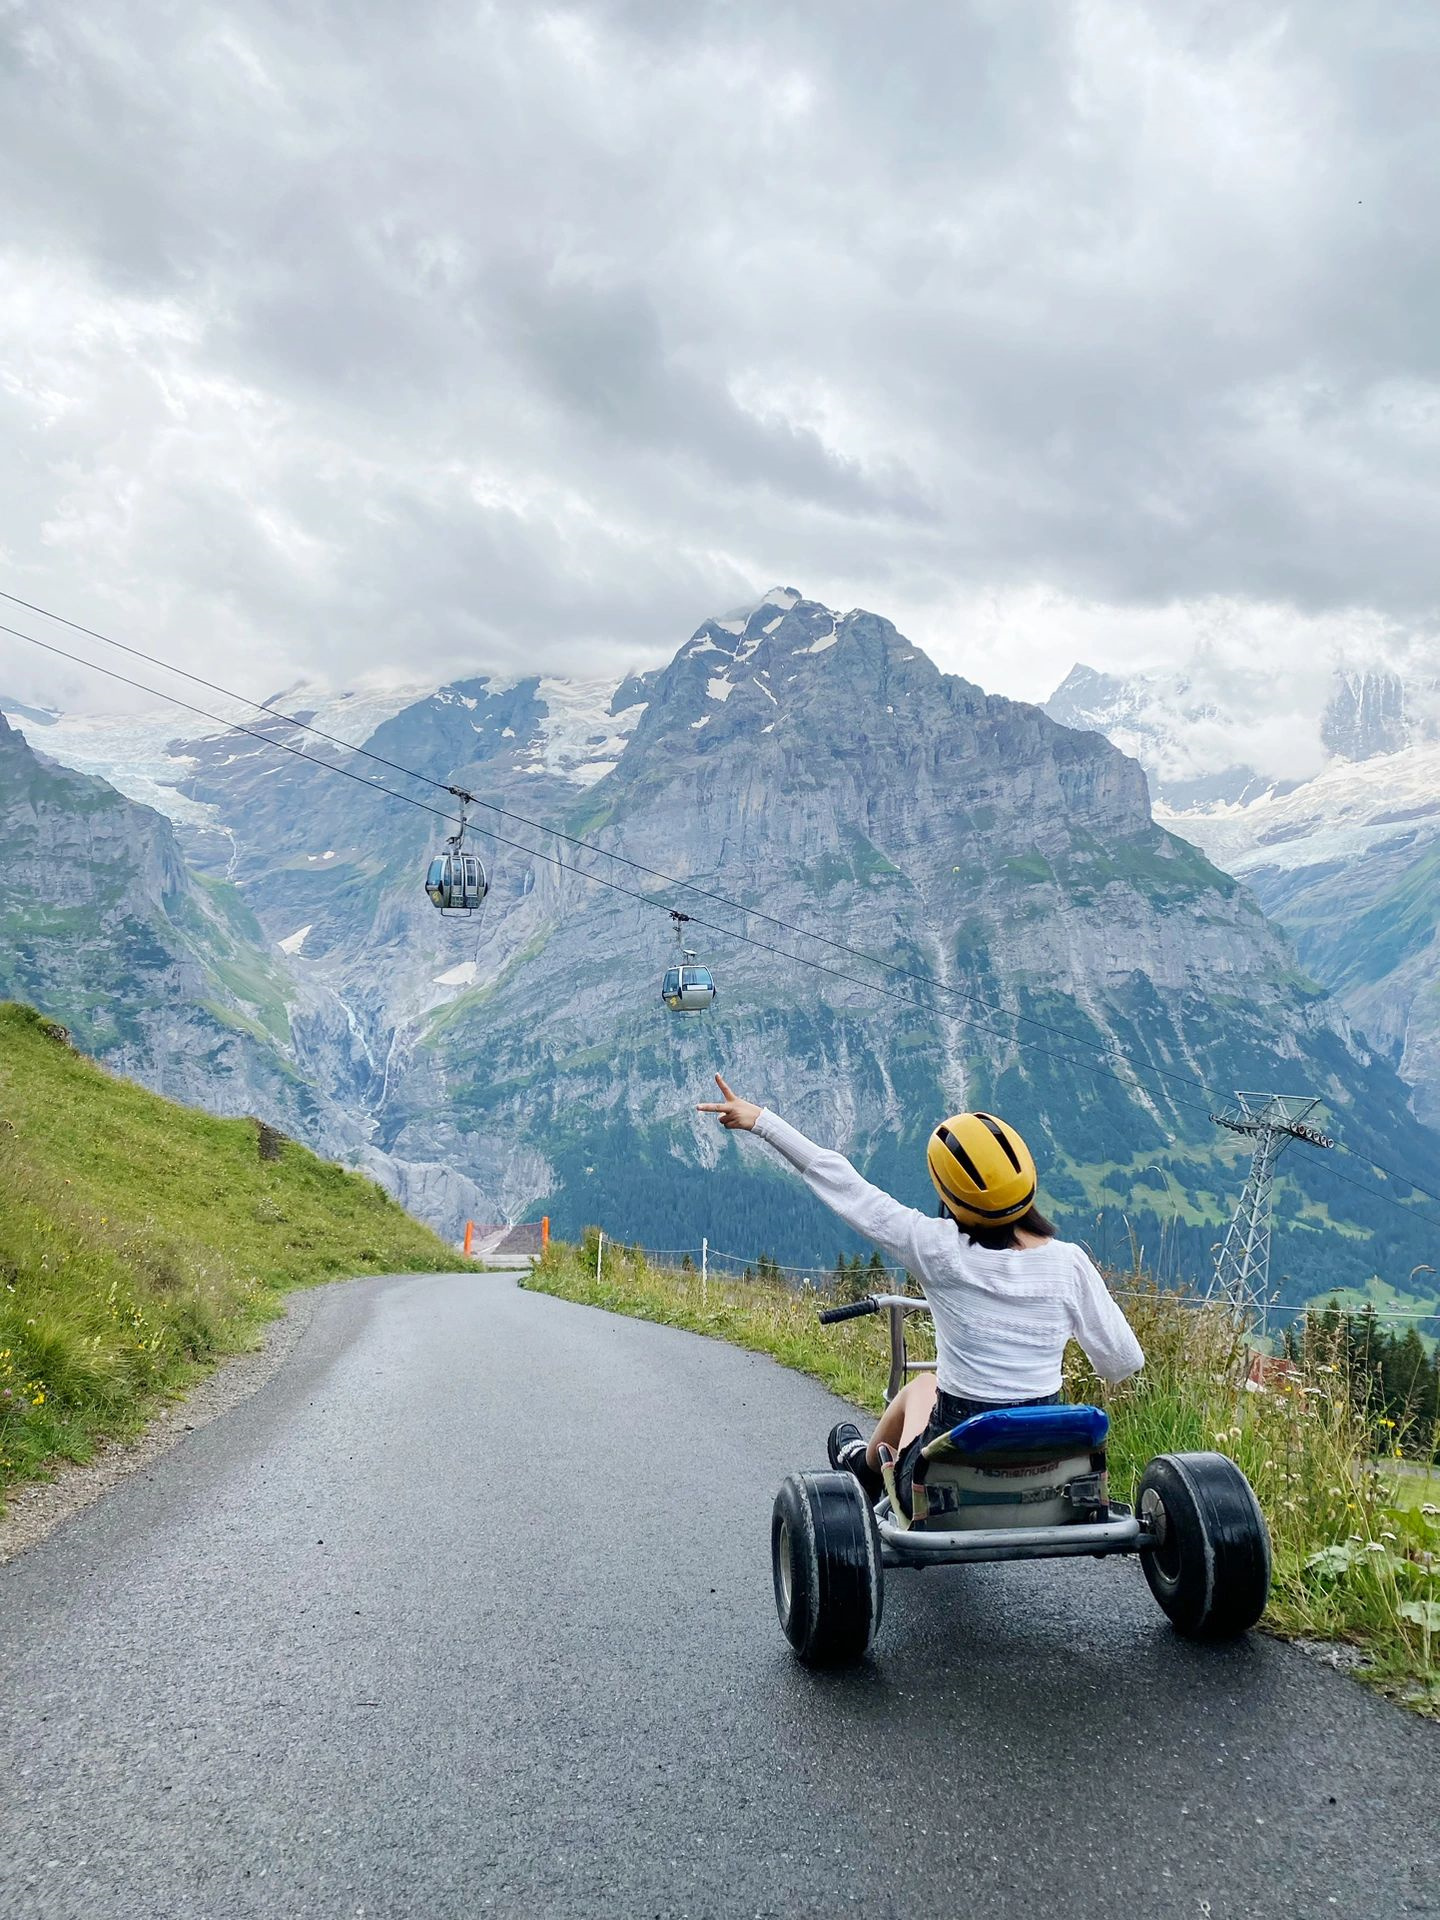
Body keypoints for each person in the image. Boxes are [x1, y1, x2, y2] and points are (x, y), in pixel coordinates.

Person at [696, 1074, 1144, 1511]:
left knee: (923, 1386)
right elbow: (1123, 1361)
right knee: (938, 1390)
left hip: (947, 1478)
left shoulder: (936, 1248)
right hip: (1048, 1468)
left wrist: (761, 1120)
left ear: (950, 1193)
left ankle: (866, 1468)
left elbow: (846, 1186)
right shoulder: (1070, 1263)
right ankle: (865, 1464)